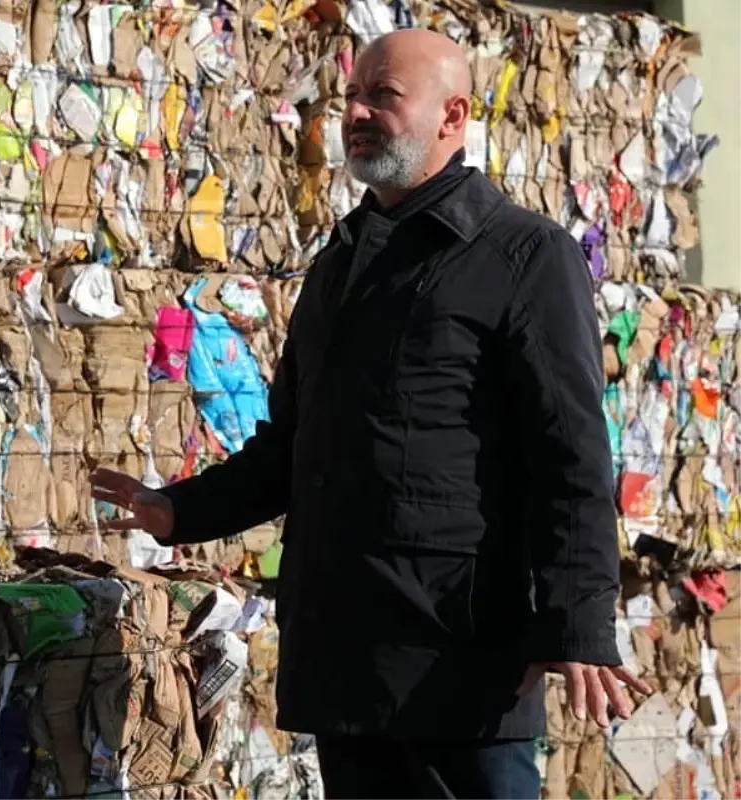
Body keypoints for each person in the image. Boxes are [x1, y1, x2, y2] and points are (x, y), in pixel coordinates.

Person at [90, 27, 652, 800]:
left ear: (453, 116)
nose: (356, 111)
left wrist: (581, 625)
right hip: (346, 662)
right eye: (352, 95)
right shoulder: (342, 263)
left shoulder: (523, 257)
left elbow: (573, 459)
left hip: (460, 667)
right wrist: (176, 510)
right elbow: (292, 447)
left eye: (383, 96)